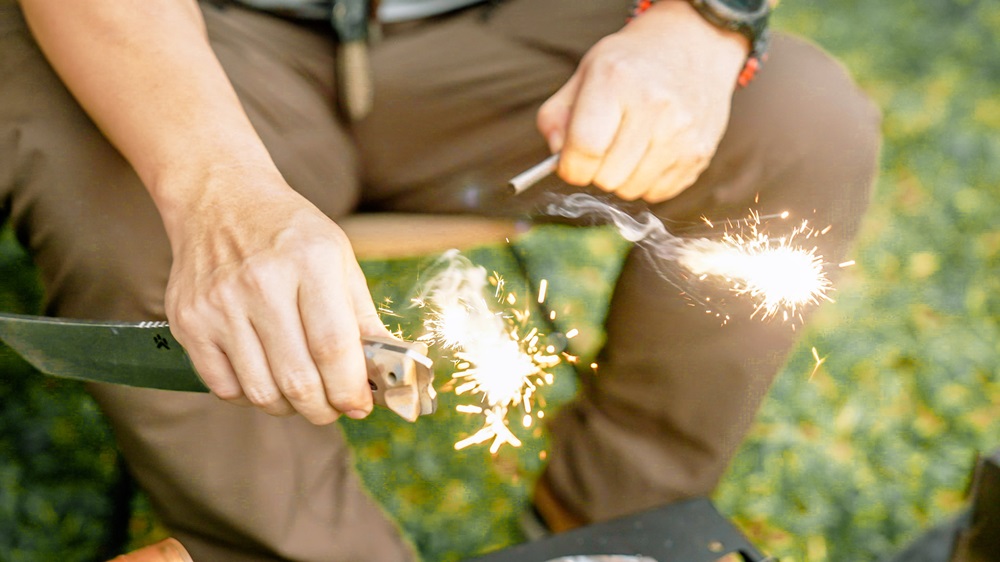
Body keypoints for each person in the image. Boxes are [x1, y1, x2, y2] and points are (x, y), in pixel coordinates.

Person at [0, 0, 880, 559]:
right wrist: (214, 189)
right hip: (192, 33)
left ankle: (616, 530)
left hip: (508, 27)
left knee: (801, 122)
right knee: (132, 224)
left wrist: (701, 22)